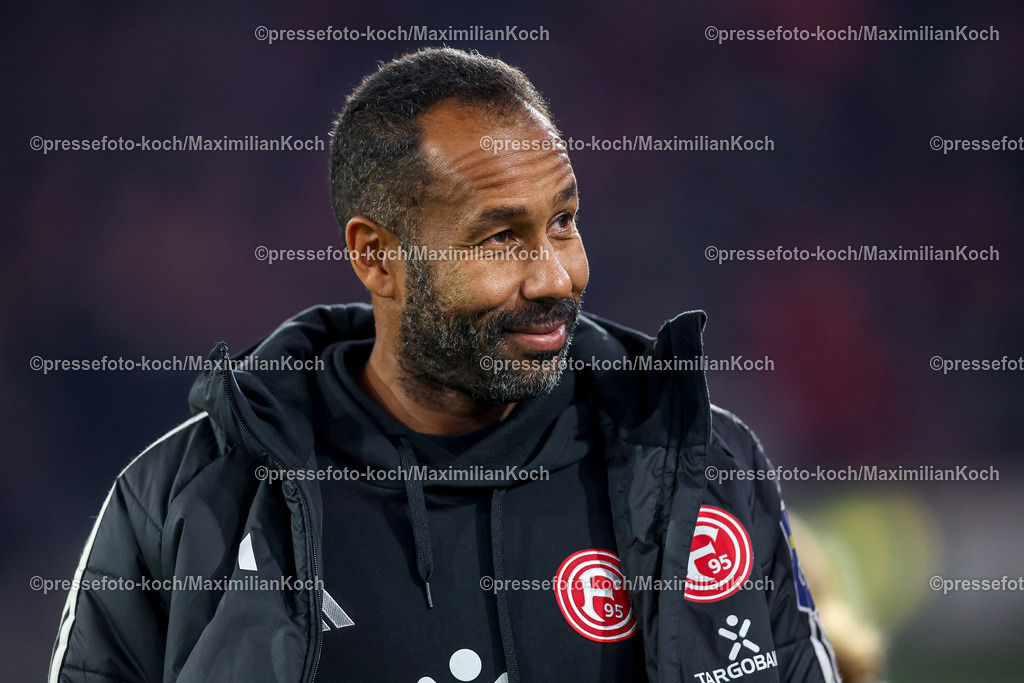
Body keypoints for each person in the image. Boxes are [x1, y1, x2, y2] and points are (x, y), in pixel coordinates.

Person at [49, 47, 840, 682]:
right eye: (500, 238)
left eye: (564, 221)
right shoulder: (185, 501)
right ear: (377, 257)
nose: (556, 277)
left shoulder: (702, 465)